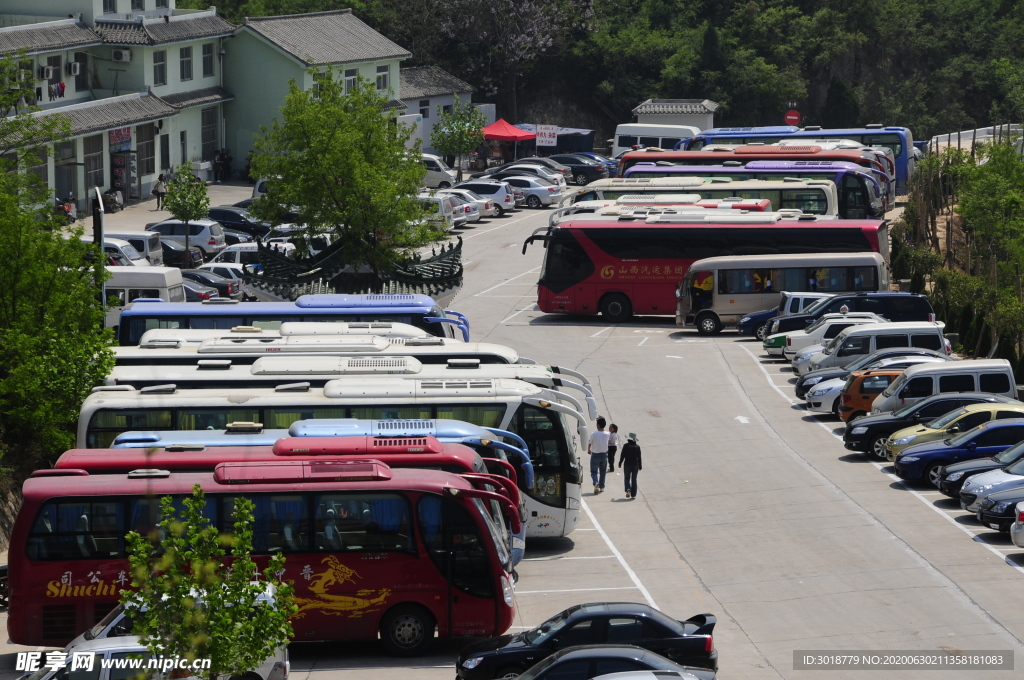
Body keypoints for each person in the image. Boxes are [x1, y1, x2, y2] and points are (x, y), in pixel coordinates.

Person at [587, 416, 610, 494]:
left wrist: (589, 450)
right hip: (604, 455)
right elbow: (610, 442)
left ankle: (596, 483)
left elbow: (590, 443)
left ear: (598, 425)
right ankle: (602, 486)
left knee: (594, 472)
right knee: (603, 471)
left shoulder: (594, 434)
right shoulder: (608, 434)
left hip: (595, 454)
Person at [619, 433, 642, 499]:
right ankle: (633, 495)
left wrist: (620, 463)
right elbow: (639, 457)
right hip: (635, 465)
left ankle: (628, 489)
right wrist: (640, 465)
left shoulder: (626, 446)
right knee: (634, 479)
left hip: (627, 464)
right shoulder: (637, 447)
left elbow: (622, 455)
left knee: (627, 478)